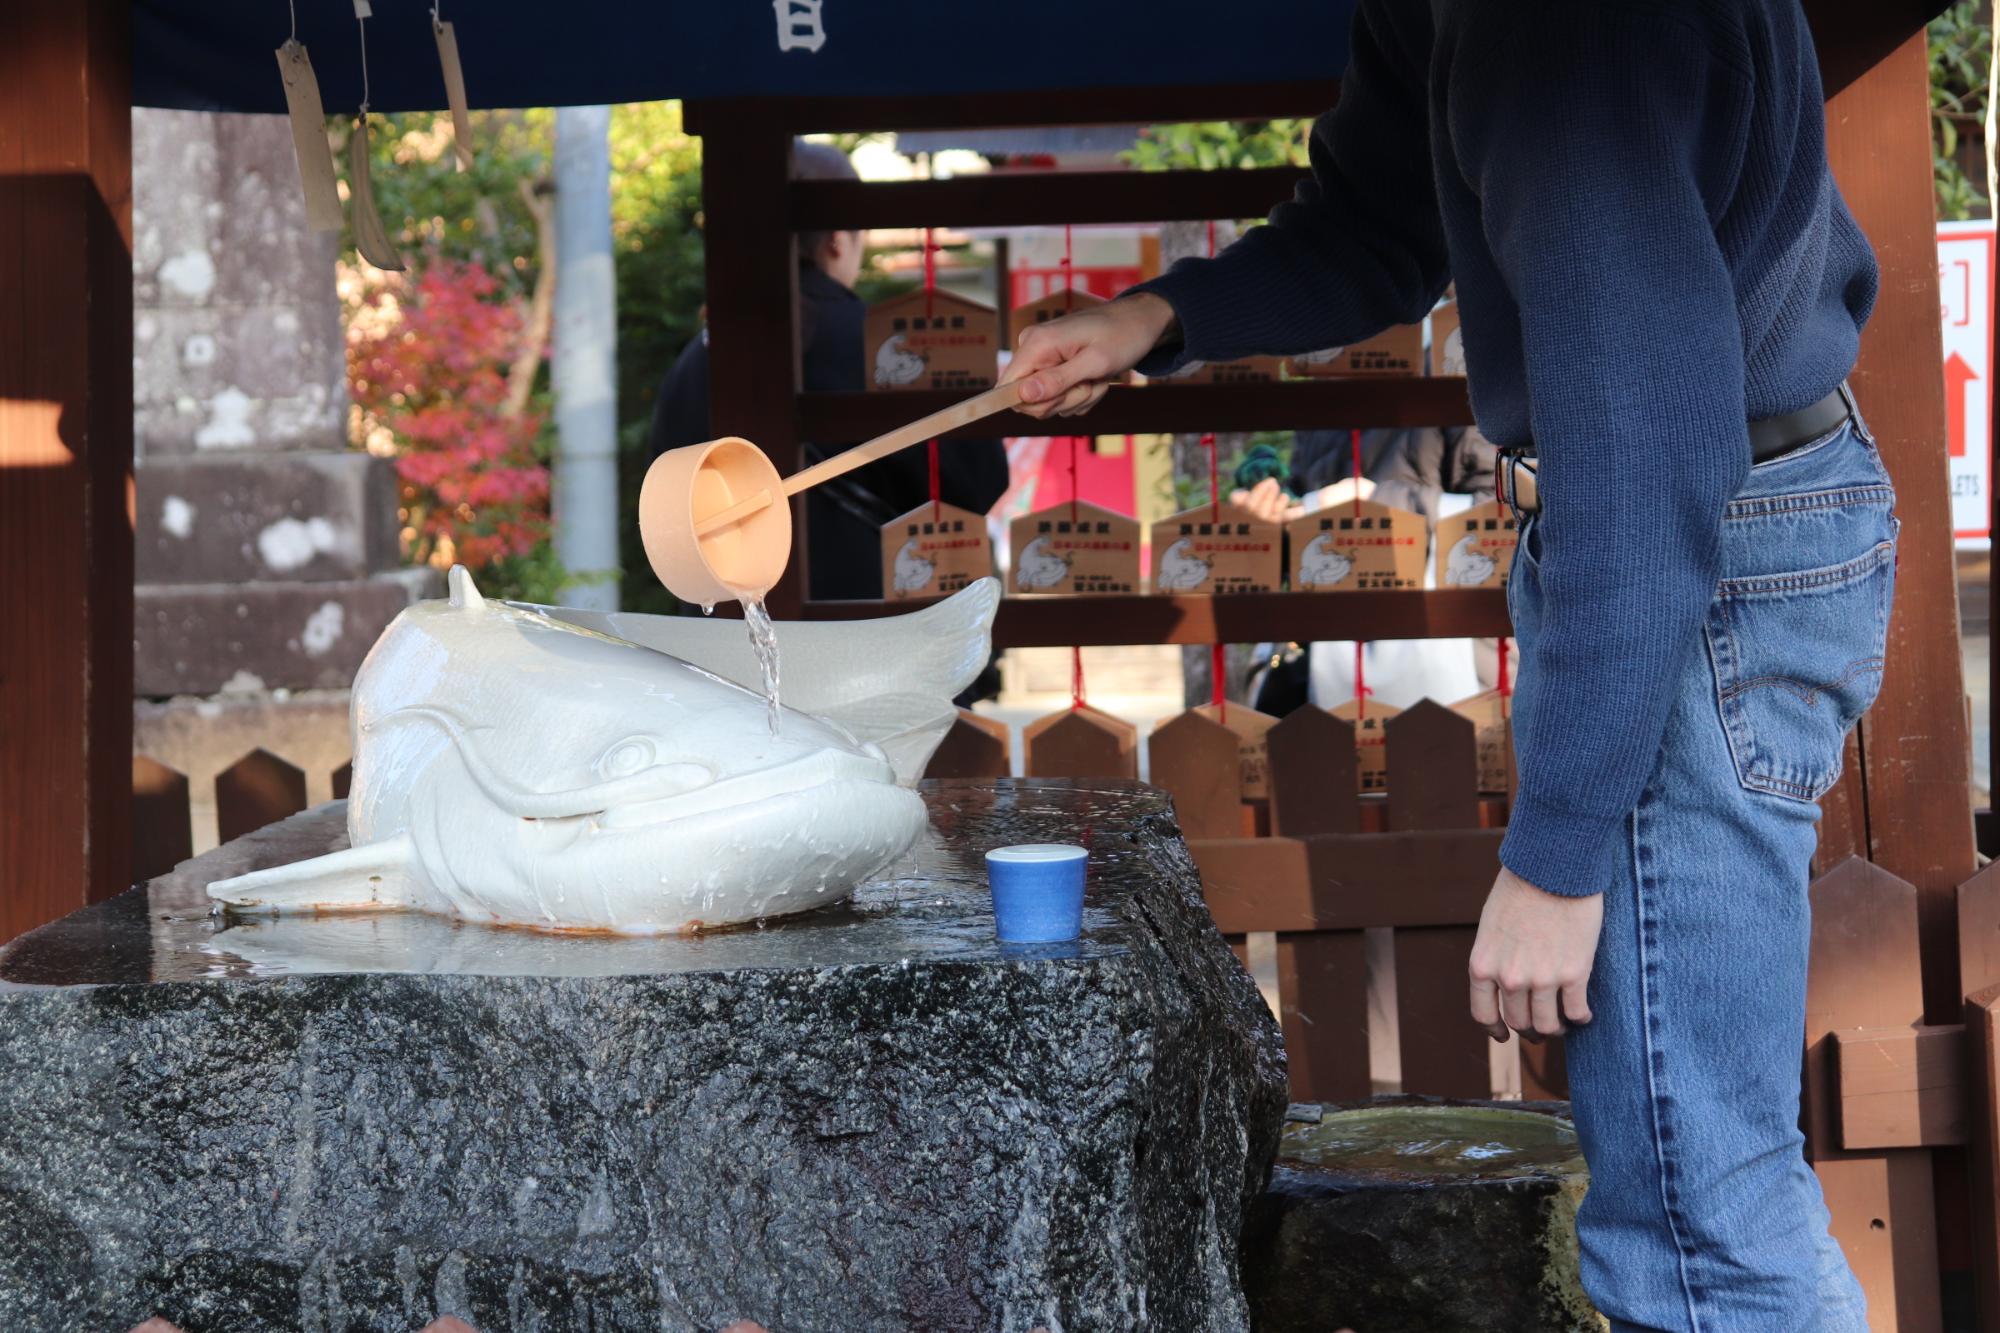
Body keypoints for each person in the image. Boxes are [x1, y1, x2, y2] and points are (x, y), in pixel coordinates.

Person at [1001, 4, 1889, 1328]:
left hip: (1693, 547)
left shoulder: (1557, 38)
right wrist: (1154, 317)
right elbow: (1378, 220)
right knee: (1693, 1186)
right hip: (1707, 520)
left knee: (1698, 1212)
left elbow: (1641, 458)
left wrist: (1556, 861)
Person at [648, 140, 1010, 603]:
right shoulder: (893, 348)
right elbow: (977, 483)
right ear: (838, 240)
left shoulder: (698, 356)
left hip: (725, 622)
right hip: (868, 620)